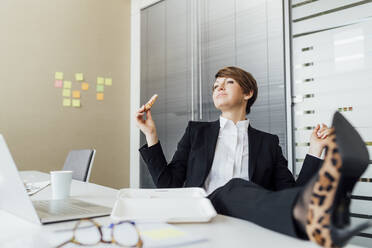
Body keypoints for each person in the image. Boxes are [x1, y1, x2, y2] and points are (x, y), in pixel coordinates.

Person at [136, 66, 331, 193]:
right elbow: (168, 185)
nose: (219, 87)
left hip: (250, 225)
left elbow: (292, 197)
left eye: (228, 82)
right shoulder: (196, 133)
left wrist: (315, 150)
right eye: (215, 86)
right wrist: (150, 134)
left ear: (247, 93)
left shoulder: (268, 143)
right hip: (203, 219)